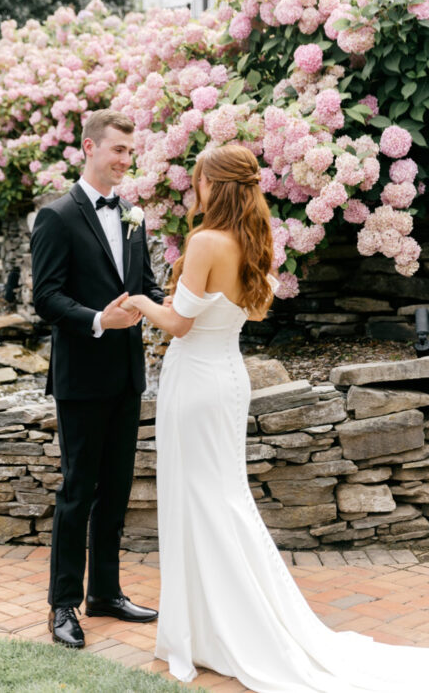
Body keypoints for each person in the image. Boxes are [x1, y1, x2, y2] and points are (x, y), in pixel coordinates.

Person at [122, 144, 429, 691]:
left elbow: (178, 324)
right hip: (227, 376)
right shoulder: (251, 241)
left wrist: (137, 302)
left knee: (201, 501)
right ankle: (217, 626)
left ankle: (222, 628)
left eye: (199, 182)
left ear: (216, 186)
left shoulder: (206, 241)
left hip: (195, 381)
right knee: (221, 497)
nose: (195, 191)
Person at [30, 109, 164, 650]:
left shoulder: (133, 216)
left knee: (116, 491)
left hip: (127, 374)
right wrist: (97, 320)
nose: (126, 161)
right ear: (89, 147)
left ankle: (105, 592)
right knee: (77, 491)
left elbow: (145, 285)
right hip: (82, 377)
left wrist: (173, 307)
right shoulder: (56, 216)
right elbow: (45, 298)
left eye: (131, 153)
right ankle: (63, 604)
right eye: (118, 151)